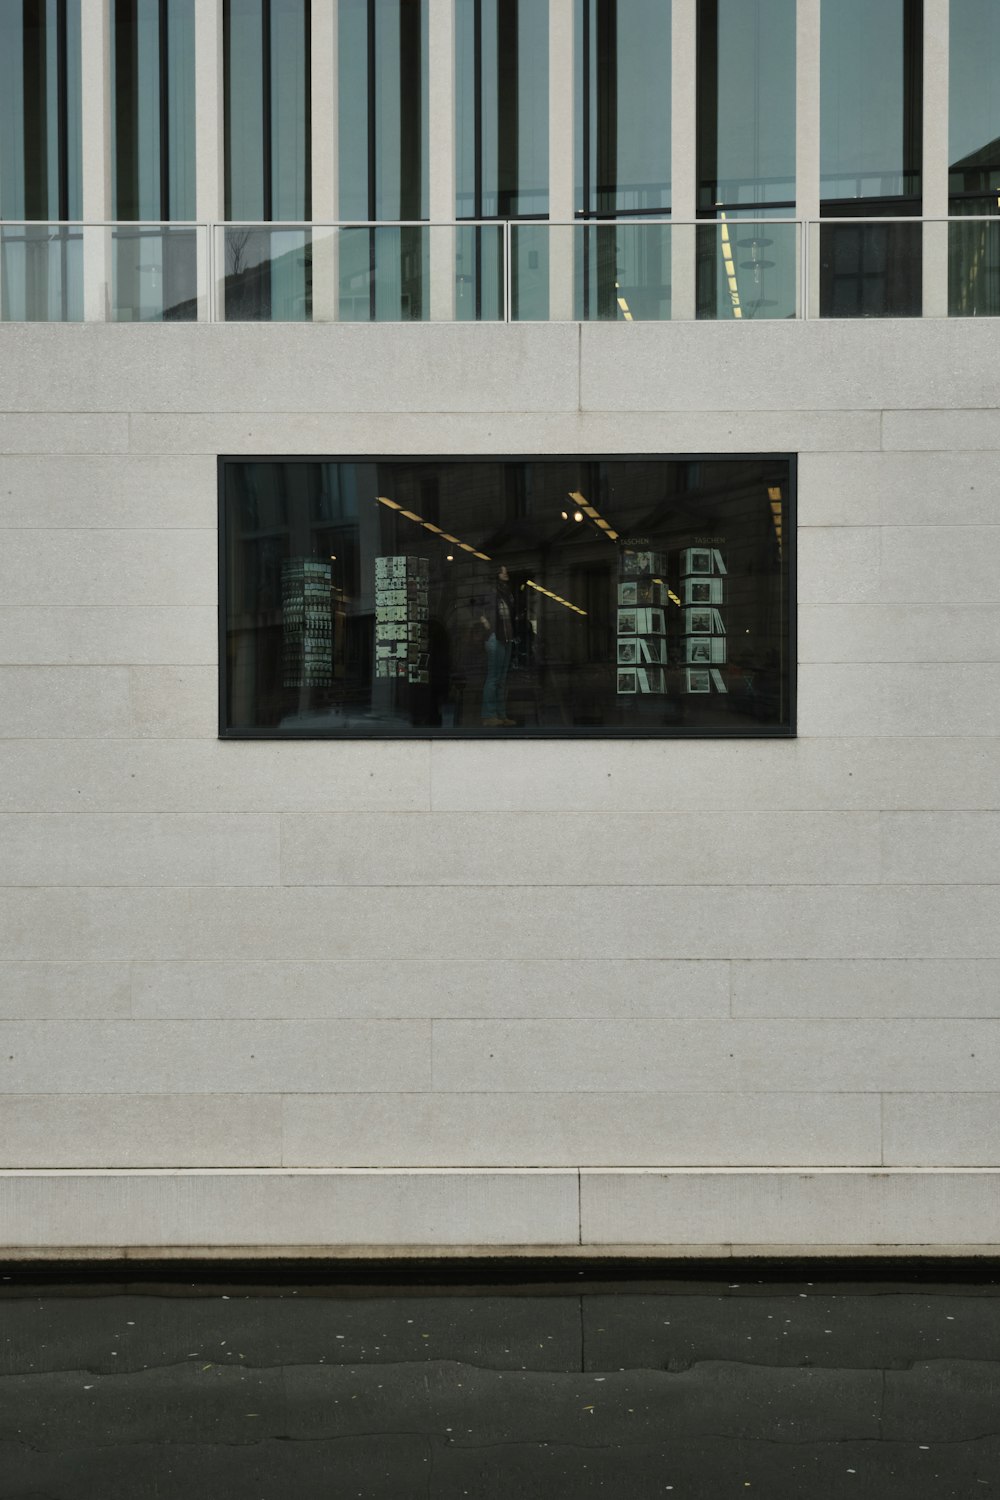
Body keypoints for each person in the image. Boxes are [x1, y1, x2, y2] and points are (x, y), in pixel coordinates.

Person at [479, 564, 515, 726]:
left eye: (505, 570)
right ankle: (489, 715)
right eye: (502, 571)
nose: (505, 573)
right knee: (494, 677)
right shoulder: (493, 594)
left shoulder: (506, 594)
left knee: (501, 678)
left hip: (505, 637)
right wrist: (489, 629)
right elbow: (481, 615)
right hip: (496, 637)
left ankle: (500, 714)